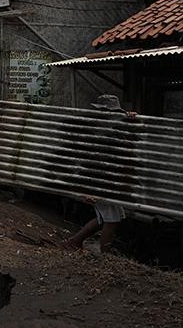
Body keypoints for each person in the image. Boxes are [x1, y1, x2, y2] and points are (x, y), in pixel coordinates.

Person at [64, 94, 136, 253]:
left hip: (107, 181)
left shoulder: (107, 127)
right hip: (100, 182)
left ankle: (74, 241)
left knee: (105, 218)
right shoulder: (99, 131)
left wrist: (130, 120)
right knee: (112, 220)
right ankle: (105, 256)